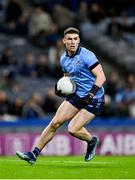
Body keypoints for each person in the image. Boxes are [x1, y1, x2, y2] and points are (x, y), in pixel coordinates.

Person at [16, 27, 106, 164]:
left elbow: (101, 77)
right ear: (64, 41)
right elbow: (67, 77)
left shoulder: (87, 55)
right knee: (55, 123)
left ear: (79, 40)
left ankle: (92, 141)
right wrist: (64, 88)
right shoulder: (63, 59)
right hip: (77, 95)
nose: (72, 42)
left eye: (75, 39)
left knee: (72, 129)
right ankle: (33, 154)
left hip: (94, 98)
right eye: (69, 39)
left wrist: (91, 94)